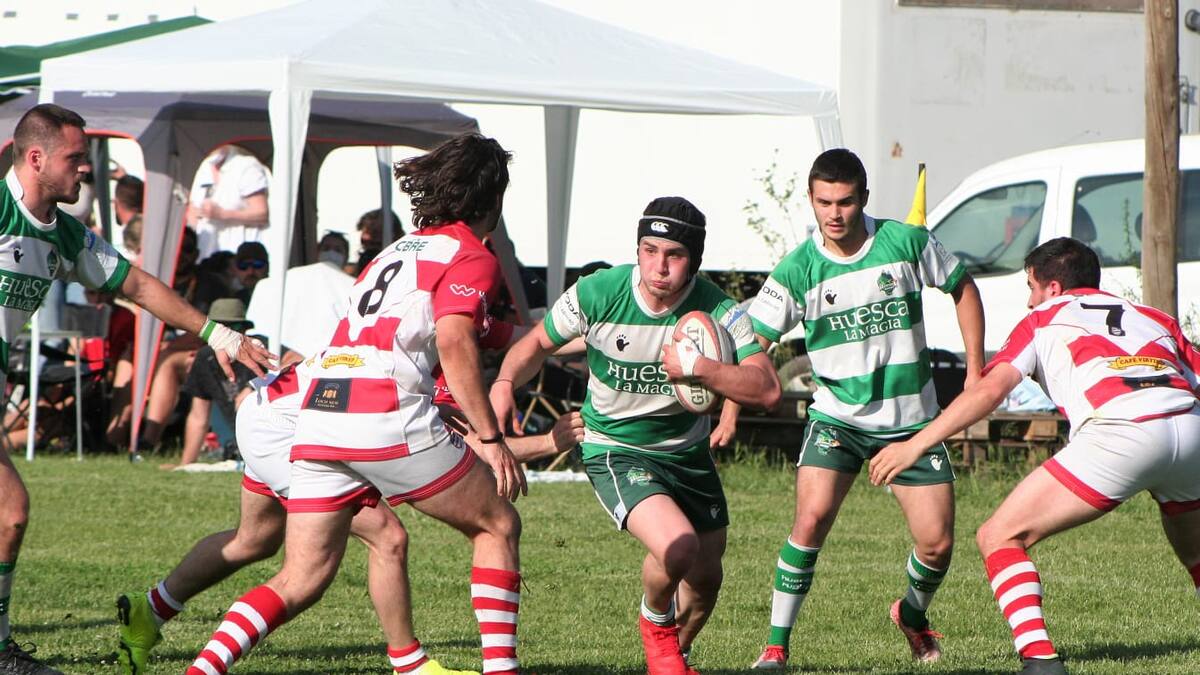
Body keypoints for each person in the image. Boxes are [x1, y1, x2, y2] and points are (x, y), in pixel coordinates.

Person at [185, 133, 526, 675]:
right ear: (495, 200)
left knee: (302, 578)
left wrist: (551, 335)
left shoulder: (398, 250)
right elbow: (456, 339)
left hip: (321, 413)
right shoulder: (470, 254)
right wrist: (490, 438)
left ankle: (201, 670)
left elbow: (474, 328)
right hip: (382, 411)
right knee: (496, 525)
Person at [0, 103, 272, 674]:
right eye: (76, 159)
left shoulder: (69, 236)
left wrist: (218, 333)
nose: (85, 172)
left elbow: (140, 286)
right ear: (35, 158)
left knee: (7, 515)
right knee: (8, 511)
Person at [117, 352, 584, 675]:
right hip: (293, 427)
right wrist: (549, 442)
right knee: (375, 541)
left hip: (268, 410)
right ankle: (408, 661)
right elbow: (467, 451)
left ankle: (149, 609)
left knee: (253, 540)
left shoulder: (391, 327)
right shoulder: (433, 356)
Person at [868, 237, 1200, 674]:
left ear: (1055, 289)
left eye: (1031, 287)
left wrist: (916, 444)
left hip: (1123, 431)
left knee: (998, 536)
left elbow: (990, 390)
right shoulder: (1153, 317)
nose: (1028, 301)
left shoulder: (1044, 318)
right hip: (1190, 426)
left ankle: (1040, 661)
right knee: (1193, 550)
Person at [490, 196, 782, 675]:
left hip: (687, 455)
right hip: (618, 450)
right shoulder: (599, 292)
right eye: (649, 250)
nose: (658, 267)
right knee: (677, 546)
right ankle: (658, 636)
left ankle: (673, 654)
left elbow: (768, 388)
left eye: (674, 255)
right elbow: (538, 343)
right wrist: (504, 383)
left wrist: (700, 369)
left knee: (706, 578)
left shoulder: (717, 309)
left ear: (695, 260)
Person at [745, 148, 984, 669]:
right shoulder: (797, 270)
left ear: (864, 199)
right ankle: (775, 648)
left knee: (938, 545)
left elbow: (962, 288)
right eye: (824, 202)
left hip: (912, 423)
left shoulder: (905, 243)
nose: (835, 213)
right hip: (837, 420)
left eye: (846, 202)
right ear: (810, 199)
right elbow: (754, 345)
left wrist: (974, 368)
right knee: (809, 521)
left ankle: (912, 617)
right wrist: (725, 402)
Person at [175, 298, 259, 466]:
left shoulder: (259, 346)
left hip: (270, 438)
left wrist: (255, 386)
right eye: (220, 328)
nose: (226, 335)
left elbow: (295, 361)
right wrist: (186, 465)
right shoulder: (204, 358)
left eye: (232, 328)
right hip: (243, 447)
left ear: (244, 329)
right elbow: (198, 417)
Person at [246, 231, 355, 359]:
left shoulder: (356, 287)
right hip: (295, 363)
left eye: (337, 249)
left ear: (347, 256)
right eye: (326, 248)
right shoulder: (354, 287)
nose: (331, 253)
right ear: (317, 251)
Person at [187, 145, 269, 259]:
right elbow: (193, 210)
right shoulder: (204, 166)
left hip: (238, 260)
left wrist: (222, 214)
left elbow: (262, 214)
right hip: (205, 258)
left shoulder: (246, 165)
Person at [231, 241, 269, 305]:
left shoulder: (279, 295)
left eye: (257, 265)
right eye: (243, 266)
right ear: (235, 269)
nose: (250, 272)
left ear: (267, 267)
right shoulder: (234, 300)